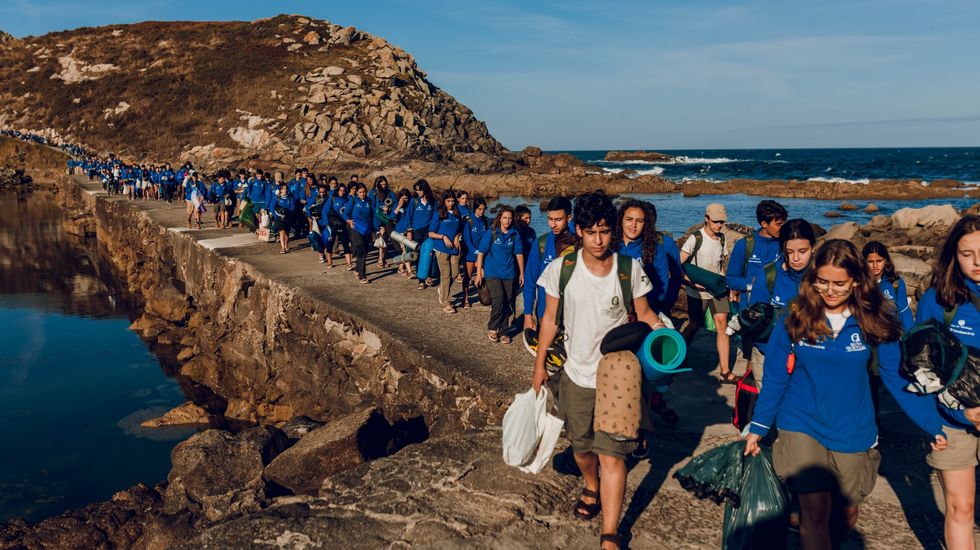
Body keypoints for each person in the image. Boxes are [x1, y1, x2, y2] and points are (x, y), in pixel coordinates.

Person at [745, 239, 947, 550]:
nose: (830, 290)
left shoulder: (874, 318)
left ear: (856, 280)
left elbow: (895, 377)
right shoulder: (795, 316)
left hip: (853, 427)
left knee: (845, 512)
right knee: (814, 511)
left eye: (839, 283)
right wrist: (758, 427)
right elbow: (775, 376)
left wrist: (931, 423)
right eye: (822, 281)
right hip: (801, 421)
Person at [532, 191, 665, 550]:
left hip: (617, 376)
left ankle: (610, 532)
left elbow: (648, 315)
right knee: (582, 448)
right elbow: (548, 319)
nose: (598, 239)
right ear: (578, 230)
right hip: (575, 373)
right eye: (591, 232)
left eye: (605, 231)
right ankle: (590, 485)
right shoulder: (562, 270)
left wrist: (666, 339)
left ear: (613, 233)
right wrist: (539, 364)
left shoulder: (629, 269)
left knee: (613, 454)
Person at [914, 215, 980, 550]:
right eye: (967, 253)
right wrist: (957, 413)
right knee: (960, 507)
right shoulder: (938, 301)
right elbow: (921, 369)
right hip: (952, 421)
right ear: (953, 256)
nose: (977, 262)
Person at [613, 200, 678, 436]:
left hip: (645, 315)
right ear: (620, 220)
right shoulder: (612, 245)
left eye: (639, 221)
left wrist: (647, 309)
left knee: (649, 367)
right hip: (614, 315)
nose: (634, 225)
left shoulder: (655, 249)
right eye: (629, 219)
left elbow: (662, 285)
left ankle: (646, 416)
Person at [727, 200, 788, 376]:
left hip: (779, 315)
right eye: (779, 224)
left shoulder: (784, 246)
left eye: (784, 223)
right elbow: (731, 280)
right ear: (764, 224)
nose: (782, 228)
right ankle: (749, 398)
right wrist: (753, 284)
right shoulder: (745, 245)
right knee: (752, 361)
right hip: (752, 314)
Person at [680, 203, 730, 379]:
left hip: (717, 288)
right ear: (706, 219)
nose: (719, 225)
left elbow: (720, 265)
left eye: (722, 222)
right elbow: (680, 263)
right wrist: (690, 283)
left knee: (722, 325)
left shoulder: (722, 239)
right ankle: (679, 357)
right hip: (697, 290)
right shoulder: (695, 238)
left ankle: (725, 371)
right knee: (694, 325)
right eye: (716, 221)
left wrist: (726, 285)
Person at [474, 205, 525, 342]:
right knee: (498, 299)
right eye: (504, 218)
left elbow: (519, 253)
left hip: (509, 273)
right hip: (492, 272)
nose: (507, 221)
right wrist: (479, 274)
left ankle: (504, 331)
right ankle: (492, 327)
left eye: (509, 218)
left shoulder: (515, 234)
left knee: (507, 301)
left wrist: (522, 273)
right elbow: (481, 253)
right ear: (500, 219)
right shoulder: (492, 233)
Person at [523, 197, 575, 331]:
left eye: (558, 219)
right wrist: (528, 315)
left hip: (573, 316)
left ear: (569, 218)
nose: (552, 225)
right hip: (545, 314)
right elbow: (530, 281)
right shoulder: (541, 243)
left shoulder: (579, 242)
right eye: (550, 219)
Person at [428, 190, 463, 312]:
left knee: (455, 273)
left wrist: (457, 236)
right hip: (441, 248)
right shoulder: (439, 213)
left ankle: (442, 290)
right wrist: (444, 237)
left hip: (454, 248)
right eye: (448, 201)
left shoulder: (457, 213)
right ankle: (446, 302)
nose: (451, 203)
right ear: (444, 201)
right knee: (446, 274)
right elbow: (431, 233)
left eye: (453, 201)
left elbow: (460, 229)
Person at [462, 198, 490, 309]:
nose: (482, 211)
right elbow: (467, 239)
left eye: (483, 209)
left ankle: (484, 297)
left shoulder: (485, 221)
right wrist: (475, 251)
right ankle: (466, 298)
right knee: (468, 277)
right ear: (475, 209)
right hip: (471, 254)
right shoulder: (469, 221)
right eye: (479, 209)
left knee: (483, 276)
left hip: (482, 254)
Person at [409, 180, 436, 289]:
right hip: (416, 232)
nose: (418, 192)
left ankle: (427, 276)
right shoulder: (414, 201)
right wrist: (409, 231)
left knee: (428, 253)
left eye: (420, 189)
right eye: (416, 190)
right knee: (417, 255)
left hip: (428, 231)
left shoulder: (432, 201)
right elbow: (409, 217)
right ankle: (421, 279)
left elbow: (435, 216)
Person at [346, 183, 376, 283]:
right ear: (356, 192)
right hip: (356, 229)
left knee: (366, 250)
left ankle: (357, 269)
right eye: (360, 192)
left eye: (364, 192)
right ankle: (362, 276)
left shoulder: (369, 201)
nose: (362, 194)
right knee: (361, 250)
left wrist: (375, 230)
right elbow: (345, 213)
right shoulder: (353, 200)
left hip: (367, 229)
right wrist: (348, 220)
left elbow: (374, 215)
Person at [325, 183, 353, 270]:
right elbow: (325, 211)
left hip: (343, 224)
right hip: (332, 224)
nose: (342, 192)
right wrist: (327, 224)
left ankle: (349, 263)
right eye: (340, 190)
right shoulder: (333, 198)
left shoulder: (348, 199)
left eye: (344, 190)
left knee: (345, 243)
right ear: (338, 190)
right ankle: (329, 261)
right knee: (330, 243)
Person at [392, 188, 415, 278]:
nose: (405, 200)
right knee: (405, 250)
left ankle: (400, 267)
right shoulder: (397, 204)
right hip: (399, 231)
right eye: (403, 198)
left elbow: (411, 217)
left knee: (406, 250)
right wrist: (399, 205)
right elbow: (392, 216)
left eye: (406, 198)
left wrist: (410, 230)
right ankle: (410, 271)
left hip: (408, 229)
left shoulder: (411, 204)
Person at [270, 183, 294, 254]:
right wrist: (276, 215)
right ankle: (283, 247)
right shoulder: (277, 198)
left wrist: (287, 212)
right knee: (282, 231)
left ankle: (286, 244)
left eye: (286, 189)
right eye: (283, 189)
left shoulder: (290, 198)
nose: (285, 190)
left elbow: (292, 207)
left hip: (287, 217)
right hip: (279, 217)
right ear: (280, 190)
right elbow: (271, 207)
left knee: (287, 232)